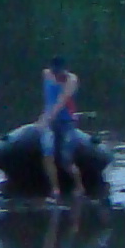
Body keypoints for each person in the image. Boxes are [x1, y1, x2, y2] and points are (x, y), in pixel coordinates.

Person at [41, 58, 83, 196]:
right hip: (49, 121)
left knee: (66, 159)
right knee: (47, 152)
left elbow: (61, 101)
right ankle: (55, 189)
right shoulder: (47, 74)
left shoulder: (71, 80)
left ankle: (79, 186)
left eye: (59, 73)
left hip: (66, 121)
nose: (57, 75)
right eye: (55, 72)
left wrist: (46, 119)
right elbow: (49, 98)